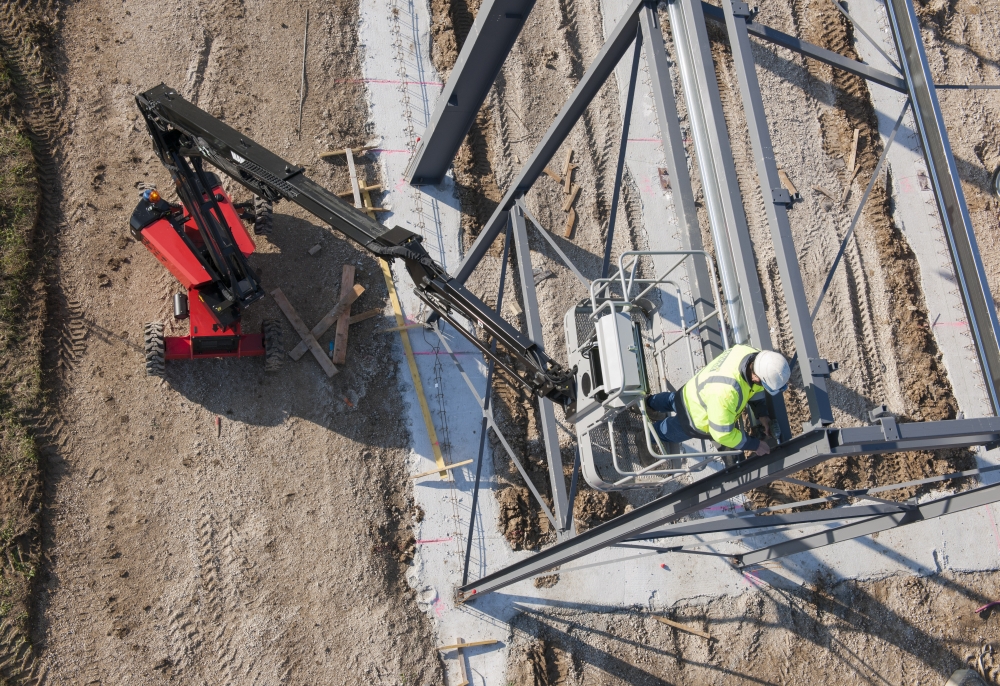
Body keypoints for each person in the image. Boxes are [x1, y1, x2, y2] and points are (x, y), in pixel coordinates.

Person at [645, 345, 790, 456]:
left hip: (692, 390)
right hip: (695, 417)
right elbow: (722, 434)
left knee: (671, 400)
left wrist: (762, 415)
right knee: (668, 431)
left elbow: (755, 391)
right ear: (756, 378)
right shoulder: (728, 392)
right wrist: (755, 445)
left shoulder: (752, 354)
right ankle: (645, 437)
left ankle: (648, 404)